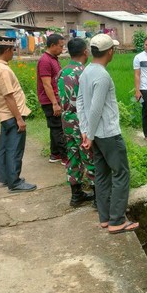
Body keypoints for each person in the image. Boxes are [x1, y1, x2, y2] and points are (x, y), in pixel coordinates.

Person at [77, 34, 139, 234]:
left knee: (102, 175)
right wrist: (91, 134)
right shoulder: (102, 76)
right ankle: (117, 221)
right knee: (121, 174)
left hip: (95, 134)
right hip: (108, 135)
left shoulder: (86, 71)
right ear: (110, 51)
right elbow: (95, 109)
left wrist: (85, 131)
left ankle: (105, 219)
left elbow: (79, 102)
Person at [0, 36, 37, 193]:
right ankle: (14, 182)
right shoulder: (3, 70)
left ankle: (6, 178)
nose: (13, 54)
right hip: (12, 115)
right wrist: (19, 118)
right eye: (13, 50)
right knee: (14, 149)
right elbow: (9, 96)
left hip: (5, 115)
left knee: (5, 148)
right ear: (7, 50)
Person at [57, 37, 95, 207]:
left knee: (72, 156)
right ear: (85, 52)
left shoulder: (62, 72)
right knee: (89, 156)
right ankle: (97, 198)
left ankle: (76, 195)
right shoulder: (84, 72)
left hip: (66, 120)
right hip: (81, 122)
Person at [36, 33, 67, 163]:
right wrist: (54, 103)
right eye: (60, 46)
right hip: (50, 100)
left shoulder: (53, 58)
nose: (62, 49)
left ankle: (55, 154)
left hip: (55, 99)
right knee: (58, 128)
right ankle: (65, 156)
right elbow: (46, 84)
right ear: (52, 45)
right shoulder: (45, 60)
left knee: (55, 127)